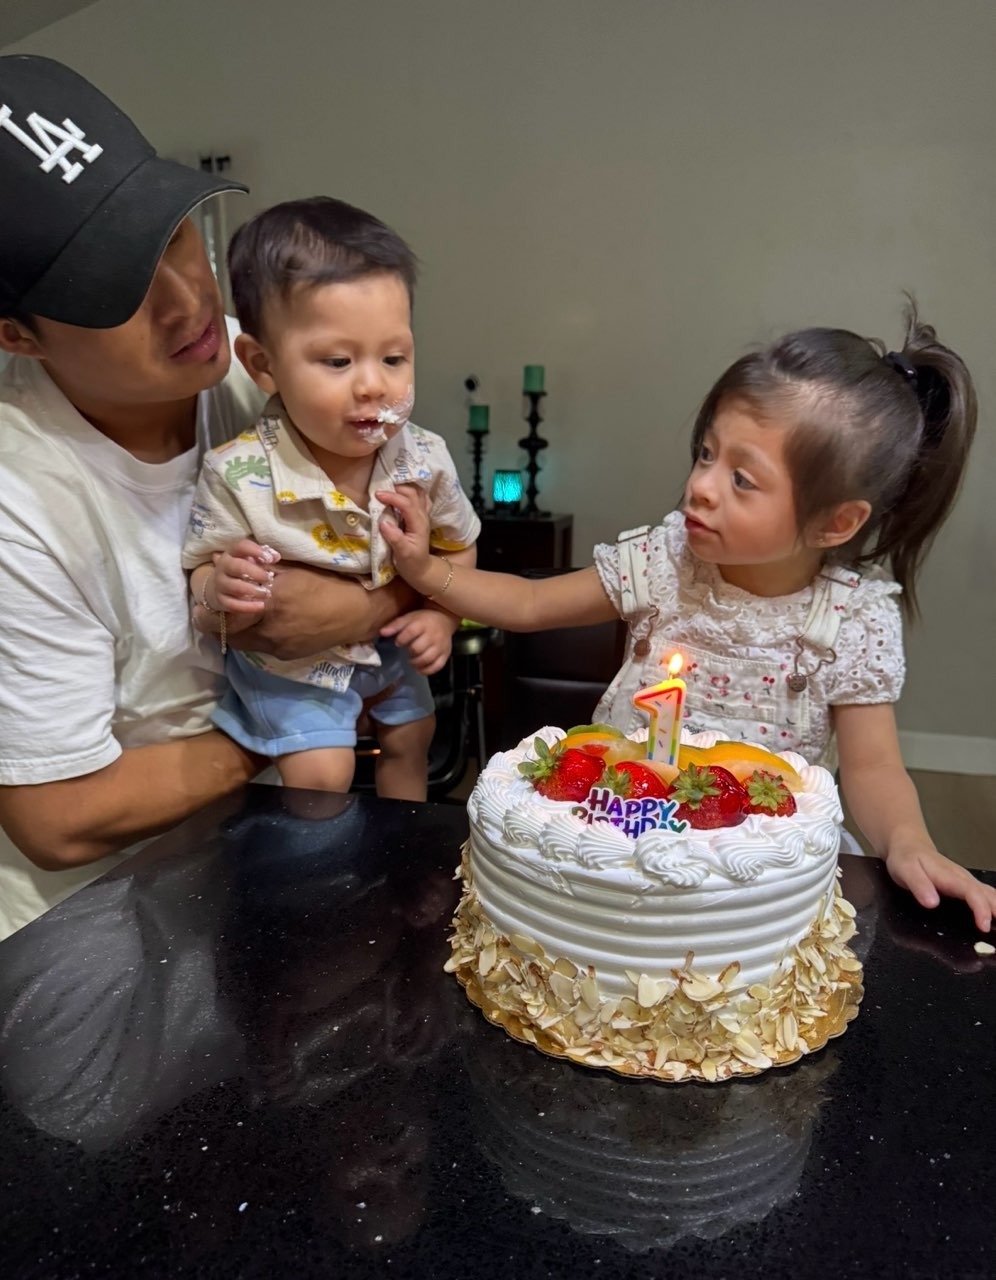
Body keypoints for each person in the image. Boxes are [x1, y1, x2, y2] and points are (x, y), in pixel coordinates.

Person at [378, 306, 996, 933]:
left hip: (755, 880)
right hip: (618, 849)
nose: (701, 485)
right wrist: (428, 572)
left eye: (742, 478)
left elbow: (872, 767)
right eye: (706, 453)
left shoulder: (853, 619)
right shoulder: (664, 561)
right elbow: (531, 604)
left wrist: (910, 843)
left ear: (835, 522)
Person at [0, 57, 417, 939]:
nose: (188, 299)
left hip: (259, 861)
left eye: (174, 235)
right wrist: (304, 714)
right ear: (18, 336)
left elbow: (410, 532)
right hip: (94, 932)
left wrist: (363, 608)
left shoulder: (243, 361)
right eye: (114, 286)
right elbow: (58, 818)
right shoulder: (21, 502)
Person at [181, 198, 479, 800]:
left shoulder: (424, 458)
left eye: (394, 358)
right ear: (263, 365)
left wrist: (442, 617)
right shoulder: (237, 471)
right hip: (291, 669)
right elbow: (201, 572)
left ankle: (399, 847)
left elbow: (459, 549)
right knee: (323, 771)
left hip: (390, 646)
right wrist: (220, 586)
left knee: (414, 735)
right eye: (338, 361)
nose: (373, 384)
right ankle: (319, 854)